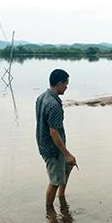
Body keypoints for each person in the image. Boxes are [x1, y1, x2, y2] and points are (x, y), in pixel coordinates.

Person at [36, 69, 78, 207]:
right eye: (66, 84)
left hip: (46, 143)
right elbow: (53, 132)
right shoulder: (53, 105)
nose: (66, 87)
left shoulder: (42, 97)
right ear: (60, 83)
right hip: (52, 148)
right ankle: (49, 212)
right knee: (54, 182)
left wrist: (67, 156)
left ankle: (61, 196)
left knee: (69, 165)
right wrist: (66, 154)